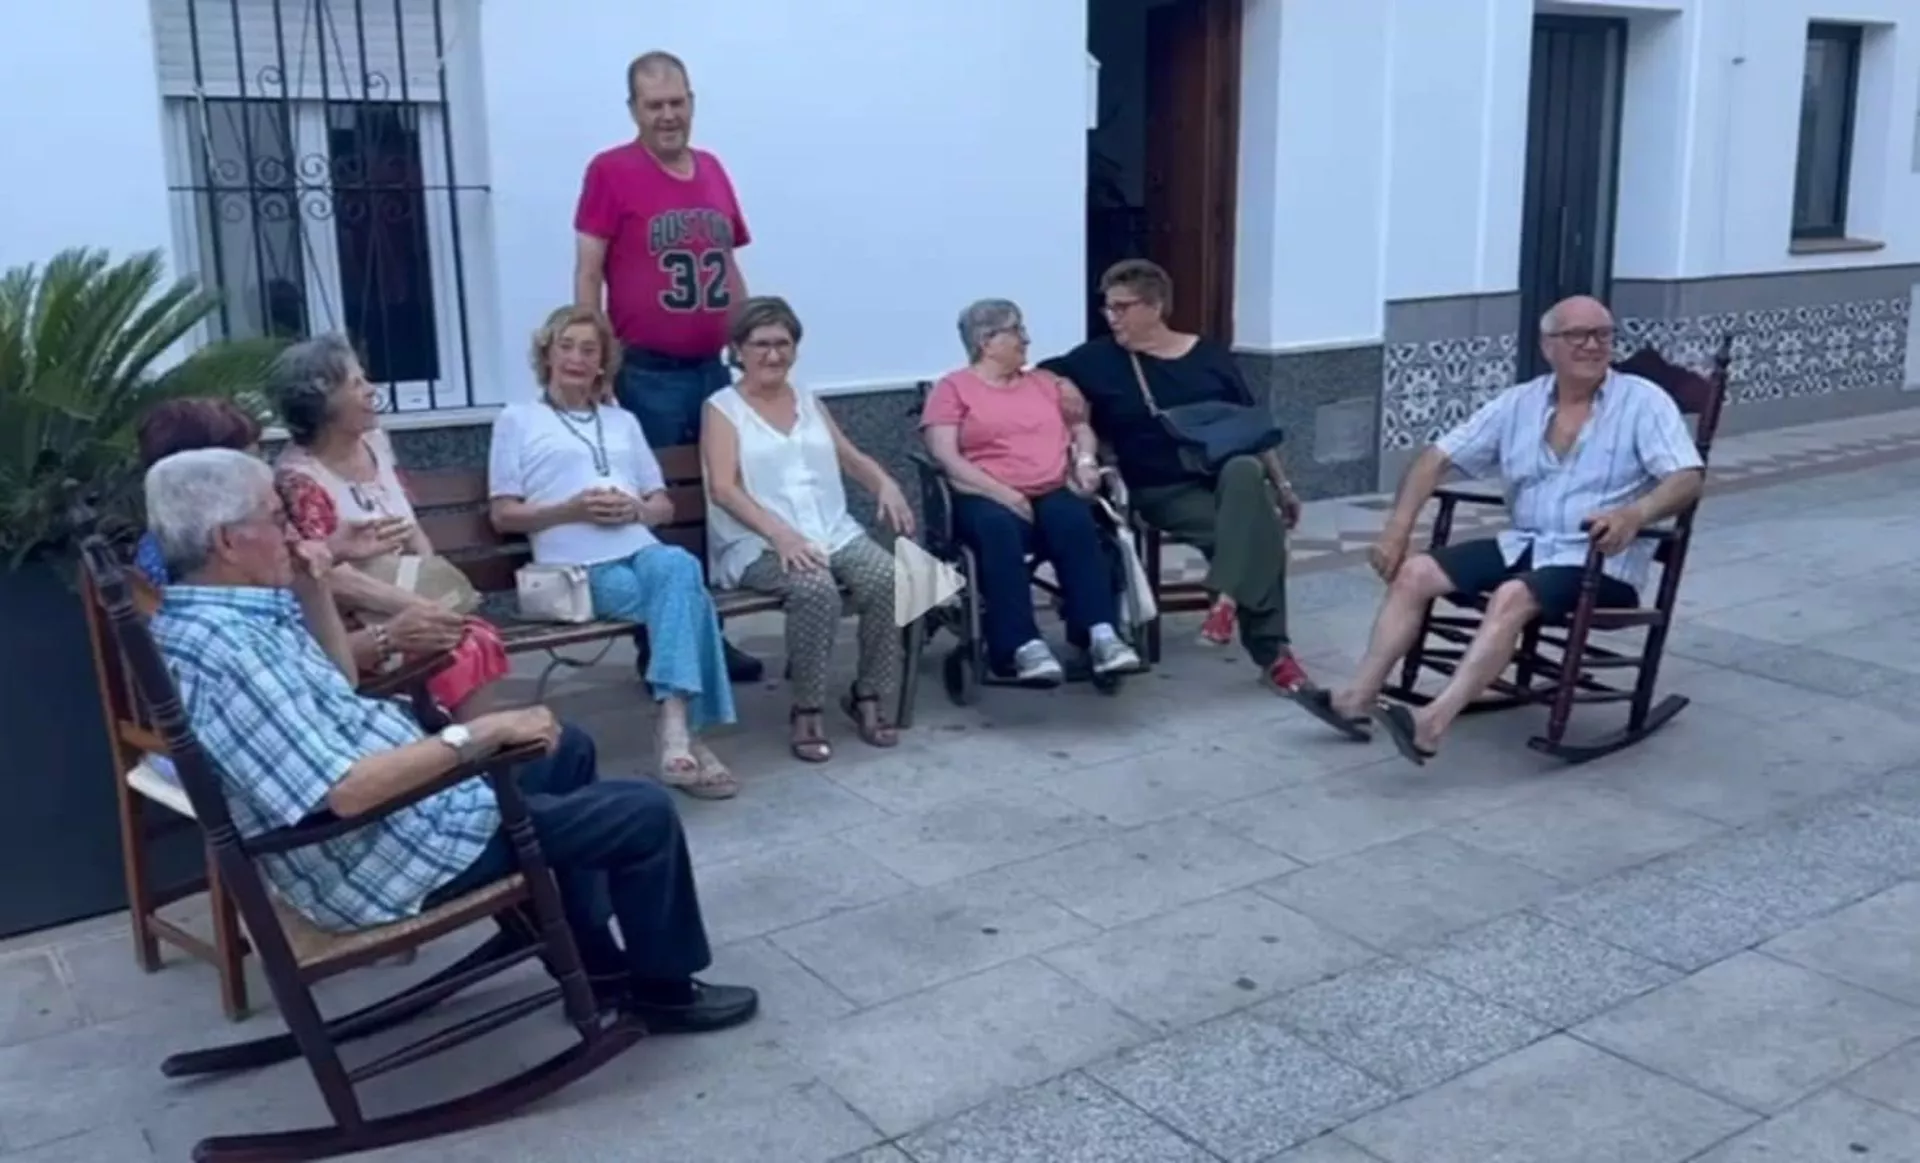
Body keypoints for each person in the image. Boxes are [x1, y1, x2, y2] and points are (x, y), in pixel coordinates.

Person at [141, 447, 757, 1032]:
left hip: (399, 817)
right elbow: (349, 793)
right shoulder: (231, 651)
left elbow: (341, 682)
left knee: (566, 749)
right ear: (227, 541)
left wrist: (312, 587)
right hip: (386, 853)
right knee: (641, 813)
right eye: (278, 519)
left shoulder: (225, 613)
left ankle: (591, 964)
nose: (297, 534)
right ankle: (663, 993)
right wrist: (479, 732)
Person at [1291, 295, 1705, 764]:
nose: (1593, 345)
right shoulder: (1521, 402)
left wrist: (1635, 514)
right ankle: (1356, 700)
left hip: (1598, 559)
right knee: (1416, 572)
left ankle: (1431, 723)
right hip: (1527, 544)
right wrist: (1397, 529)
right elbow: (1436, 459)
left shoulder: (1643, 401)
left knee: (1512, 595)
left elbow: (1687, 477)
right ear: (1548, 345)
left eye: (1603, 335)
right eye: (1578, 335)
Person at [488, 306, 739, 799]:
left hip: (642, 550)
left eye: (589, 349)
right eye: (566, 346)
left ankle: (673, 725)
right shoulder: (517, 420)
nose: (576, 358)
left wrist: (635, 512)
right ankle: (690, 736)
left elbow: (661, 503)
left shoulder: (623, 421)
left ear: (603, 363)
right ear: (547, 354)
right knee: (689, 597)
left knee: (678, 567)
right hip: (575, 568)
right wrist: (571, 509)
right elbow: (503, 515)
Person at [574, 48, 762, 685]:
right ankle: (664, 641)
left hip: (711, 368)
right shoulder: (610, 171)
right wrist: (591, 357)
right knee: (661, 507)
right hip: (647, 371)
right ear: (633, 109)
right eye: (654, 105)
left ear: (692, 101)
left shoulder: (711, 169)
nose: (668, 116)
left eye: (677, 102)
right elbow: (589, 269)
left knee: (717, 500)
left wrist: (745, 335)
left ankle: (712, 632)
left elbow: (729, 261)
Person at [1039, 259, 1309, 693]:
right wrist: (1063, 385)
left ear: (1155, 306)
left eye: (1122, 308)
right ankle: (1270, 650)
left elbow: (1252, 430)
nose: (1112, 317)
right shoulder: (1099, 359)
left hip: (1227, 479)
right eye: (1107, 308)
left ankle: (1227, 600)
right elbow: (1037, 375)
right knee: (1261, 531)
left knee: (1245, 470)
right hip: (1163, 488)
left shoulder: (1210, 357)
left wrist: (1284, 486)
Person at [701, 297, 914, 762]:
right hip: (758, 541)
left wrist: (884, 481)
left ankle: (868, 695)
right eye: (760, 344)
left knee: (889, 579)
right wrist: (782, 536)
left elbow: (850, 455)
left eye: (783, 343)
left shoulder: (807, 398)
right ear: (738, 350)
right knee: (815, 589)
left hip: (831, 530)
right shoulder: (723, 408)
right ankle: (807, 708)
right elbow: (723, 487)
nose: (772, 355)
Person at [132, 397, 468, 689]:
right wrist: (387, 637)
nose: (265, 471)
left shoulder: (189, 549)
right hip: (331, 716)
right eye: (249, 461)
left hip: (332, 691)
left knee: (462, 639)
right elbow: (287, 670)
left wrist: (333, 550)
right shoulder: (185, 580)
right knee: (464, 646)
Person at [266, 335, 511, 719]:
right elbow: (325, 577)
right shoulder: (300, 479)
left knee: (471, 635)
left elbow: (410, 526)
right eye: (356, 384)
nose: (371, 391)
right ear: (324, 403)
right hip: (358, 620)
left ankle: (477, 754)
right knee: (467, 641)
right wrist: (415, 606)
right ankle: (466, 752)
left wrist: (432, 580)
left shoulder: (377, 442)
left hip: (409, 591)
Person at [924, 299, 1143, 684]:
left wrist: (1086, 462)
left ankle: (1101, 635)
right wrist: (1005, 494)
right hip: (983, 493)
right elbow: (945, 457)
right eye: (1016, 330)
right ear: (986, 340)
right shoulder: (952, 388)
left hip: (1052, 486)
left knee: (1076, 520)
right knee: (998, 531)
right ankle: (1021, 645)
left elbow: (1080, 429)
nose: (1027, 338)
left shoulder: (1044, 383)